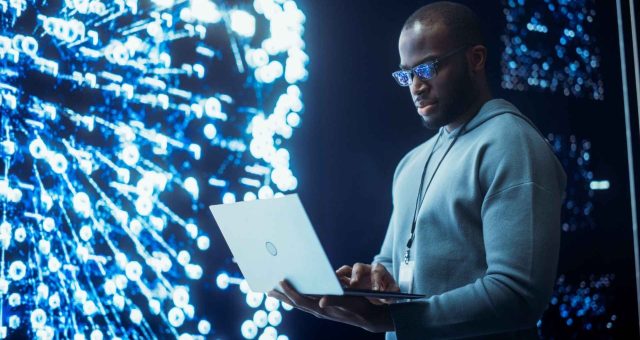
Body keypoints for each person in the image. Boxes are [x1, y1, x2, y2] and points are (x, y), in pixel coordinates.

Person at [268, 1, 567, 339]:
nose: (415, 85)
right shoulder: (411, 164)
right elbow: (393, 266)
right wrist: (372, 282)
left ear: (476, 59)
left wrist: (391, 319)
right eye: (406, 74)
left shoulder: (512, 144)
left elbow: (519, 297)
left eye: (427, 69)